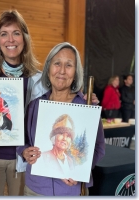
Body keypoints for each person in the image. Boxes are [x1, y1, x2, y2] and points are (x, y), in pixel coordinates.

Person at [0, 10, 99, 196]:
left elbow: (56, 104)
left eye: (16, 33)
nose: (11, 40)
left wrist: (83, 100)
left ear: (24, 38)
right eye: (4, 34)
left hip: (23, 160)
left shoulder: (38, 78)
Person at [17, 42, 105, 196]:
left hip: (70, 190)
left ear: (76, 72)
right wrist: (24, 151)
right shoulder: (35, 106)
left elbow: (99, 147)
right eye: (57, 63)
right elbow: (20, 140)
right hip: (35, 189)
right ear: (48, 69)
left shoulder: (86, 106)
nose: (62, 71)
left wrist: (80, 170)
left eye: (69, 65)